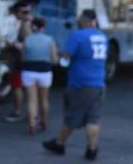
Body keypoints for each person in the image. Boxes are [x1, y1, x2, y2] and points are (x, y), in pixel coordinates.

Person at [42, 9, 107, 160]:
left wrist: (61, 59)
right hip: (98, 82)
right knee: (93, 118)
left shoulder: (78, 36)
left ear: (84, 21)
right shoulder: (102, 36)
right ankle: (92, 149)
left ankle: (59, 144)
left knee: (72, 117)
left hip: (80, 83)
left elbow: (65, 58)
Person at [22, 16, 58, 135]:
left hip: (29, 70)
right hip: (44, 71)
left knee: (32, 100)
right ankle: (44, 122)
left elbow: (23, 57)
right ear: (43, 28)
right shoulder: (49, 40)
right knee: (44, 100)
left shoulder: (27, 40)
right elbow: (54, 60)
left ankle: (32, 126)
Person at [5, 1, 33, 122]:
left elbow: (27, 44)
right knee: (27, 87)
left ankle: (18, 111)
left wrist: (12, 45)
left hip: (22, 61)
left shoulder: (26, 25)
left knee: (17, 86)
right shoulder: (30, 23)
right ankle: (32, 113)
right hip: (28, 61)